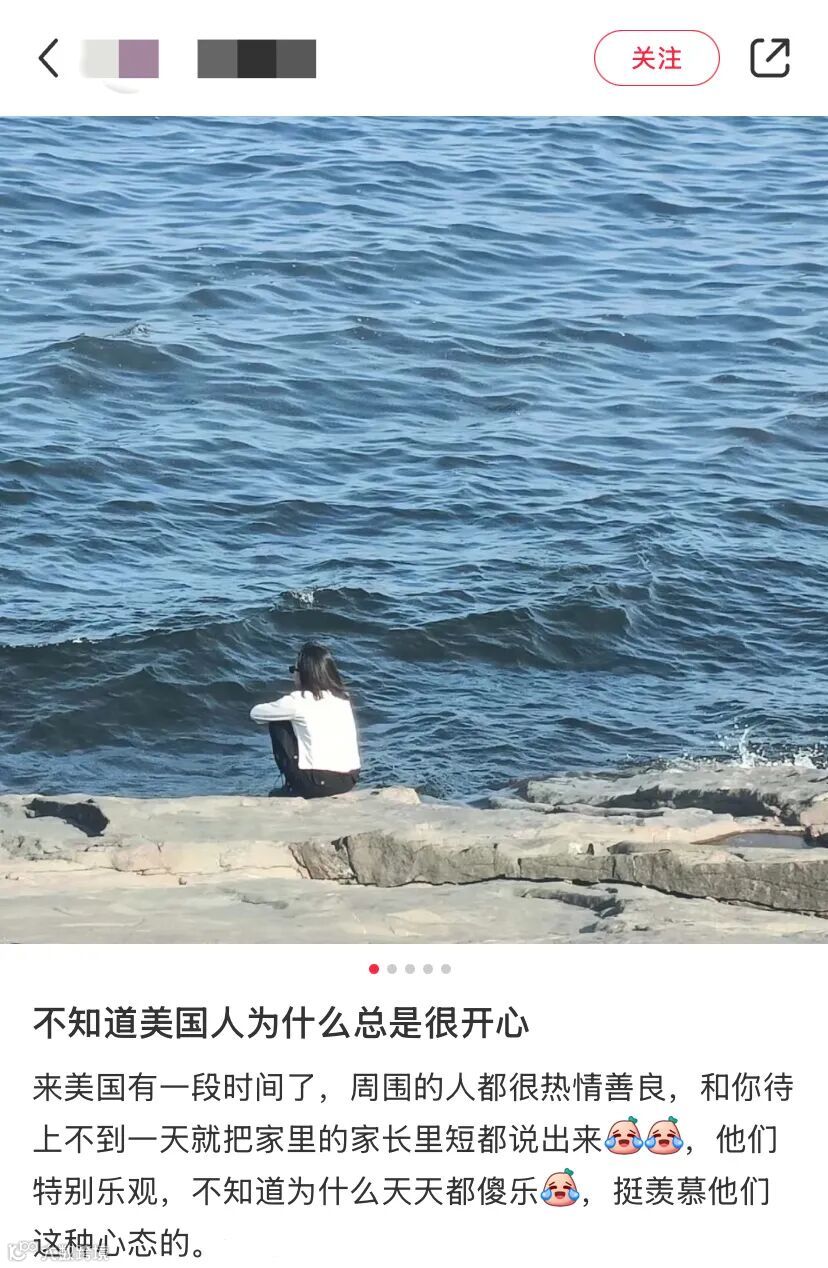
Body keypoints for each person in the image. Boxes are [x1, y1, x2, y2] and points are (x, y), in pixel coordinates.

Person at [250, 641, 361, 797]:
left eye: (294, 670)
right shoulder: (343, 699)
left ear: (304, 673)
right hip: (349, 779)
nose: (293, 674)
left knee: (277, 720)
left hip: (317, 782)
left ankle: (292, 786)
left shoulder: (298, 701)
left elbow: (256, 713)